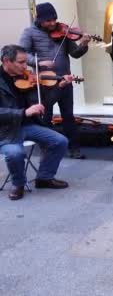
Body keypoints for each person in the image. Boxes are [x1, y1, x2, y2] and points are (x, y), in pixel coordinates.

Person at [19, 2, 90, 159]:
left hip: (65, 78)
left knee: (68, 116)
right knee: (46, 117)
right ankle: (47, 148)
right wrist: (38, 62)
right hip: (44, 83)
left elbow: (75, 54)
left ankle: (74, 148)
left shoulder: (63, 31)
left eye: (54, 19)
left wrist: (84, 44)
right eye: (48, 21)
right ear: (39, 19)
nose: (52, 23)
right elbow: (22, 54)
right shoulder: (29, 33)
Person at [0, 45, 69, 200]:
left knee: (60, 141)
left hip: (27, 126)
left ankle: (44, 178)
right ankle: (18, 184)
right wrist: (23, 112)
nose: (26, 66)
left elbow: (44, 103)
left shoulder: (27, 78)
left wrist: (59, 87)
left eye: (26, 62)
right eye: (21, 62)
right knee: (15, 153)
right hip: (5, 131)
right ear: (6, 61)